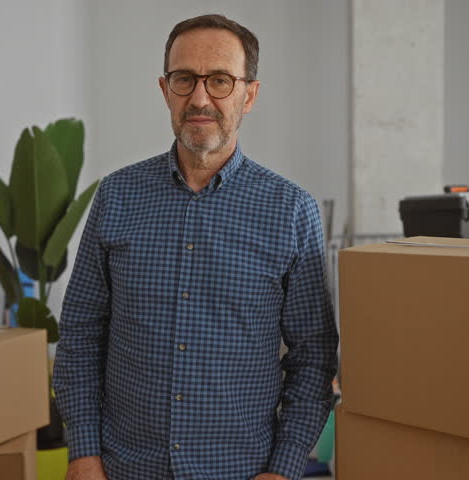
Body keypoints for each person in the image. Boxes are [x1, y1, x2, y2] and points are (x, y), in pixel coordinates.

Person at [53, 13, 338, 480]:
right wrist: (83, 453)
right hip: (124, 470)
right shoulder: (116, 196)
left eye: (220, 80)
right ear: (165, 89)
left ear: (250, 95)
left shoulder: (291, 211)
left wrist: (284, 469)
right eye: (185, 79)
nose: (200, 98)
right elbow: (81, 335)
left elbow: (315, 358)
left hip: (241, 472)